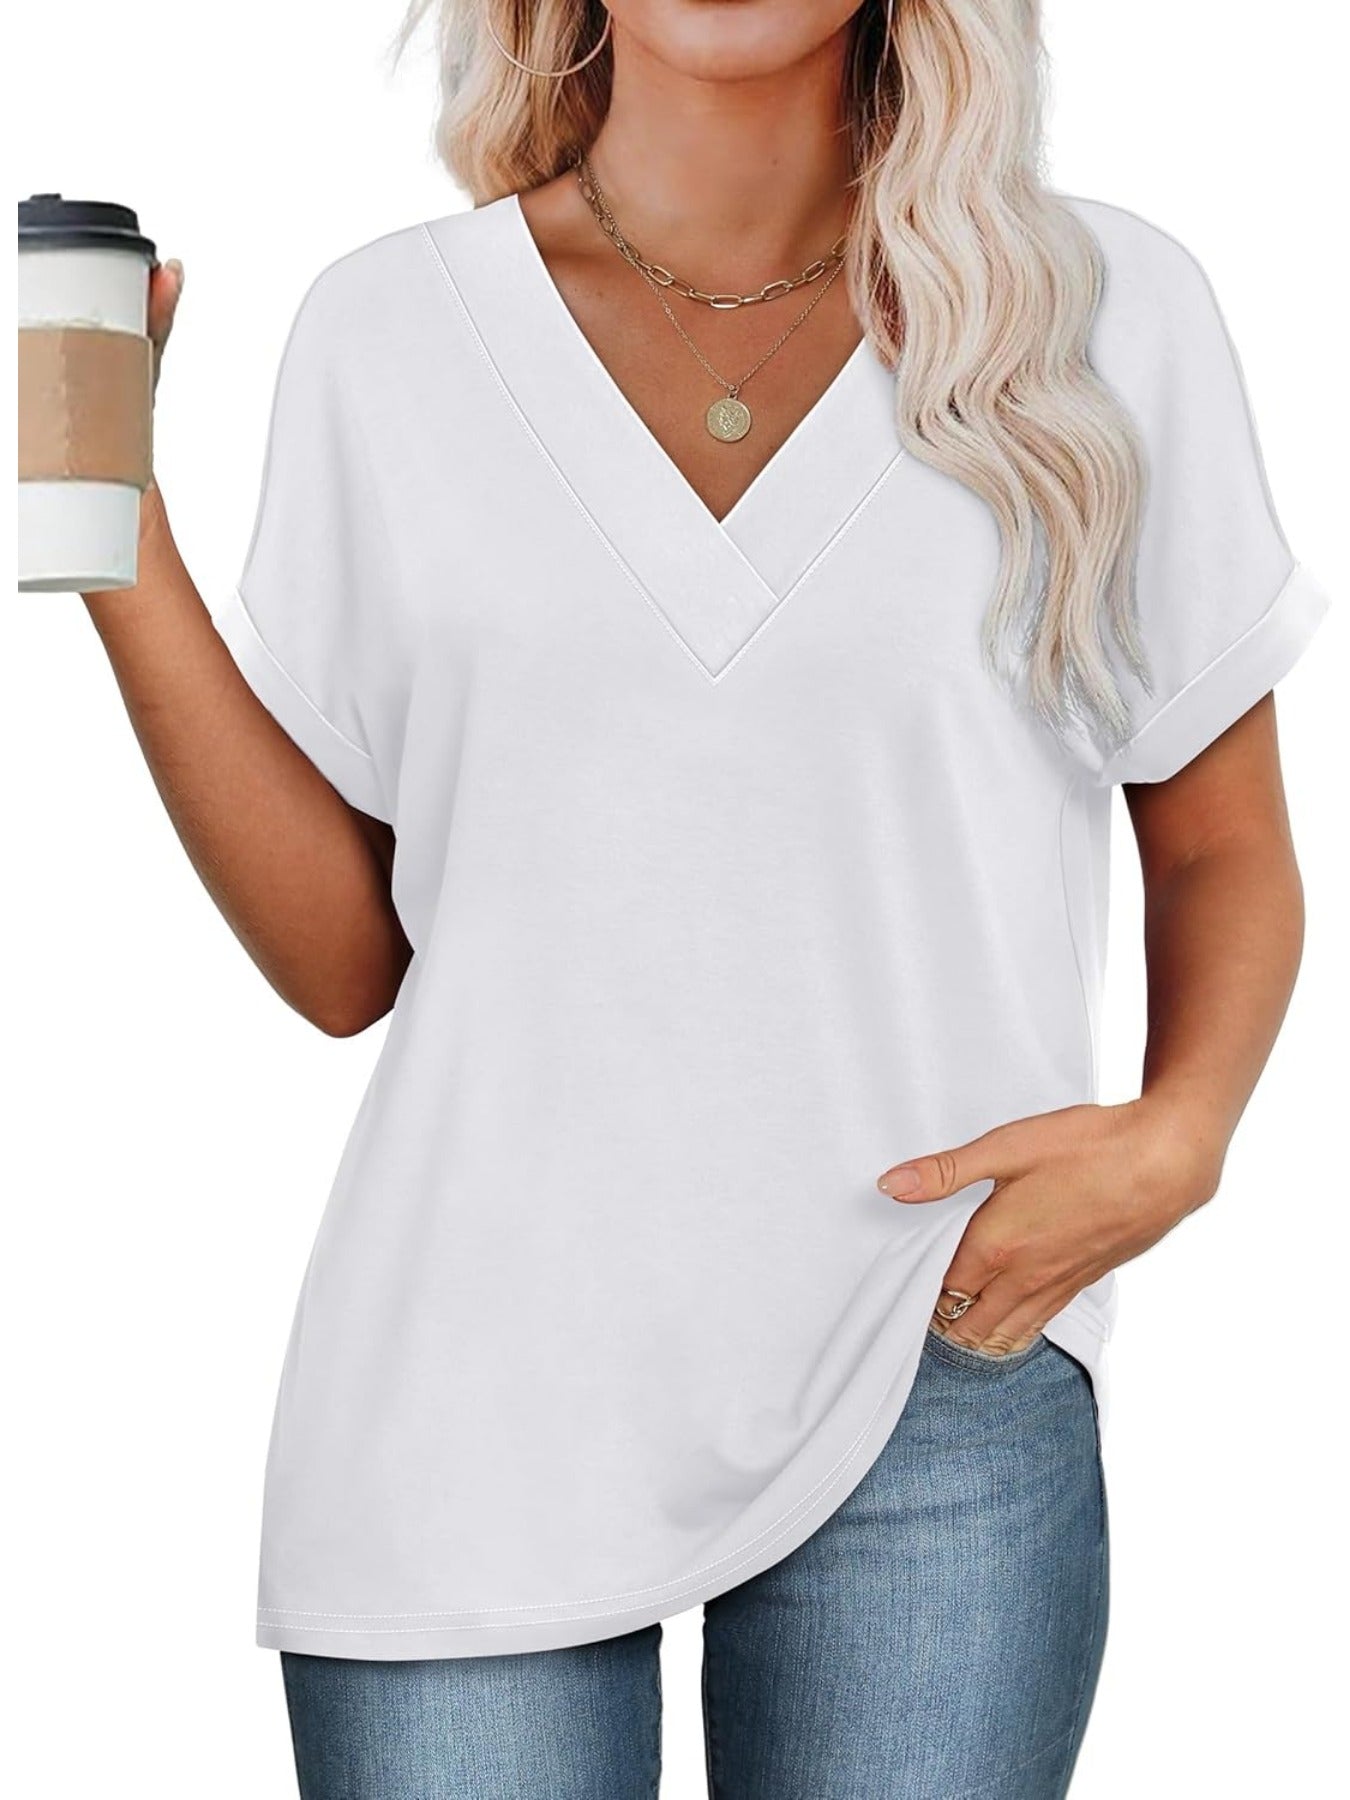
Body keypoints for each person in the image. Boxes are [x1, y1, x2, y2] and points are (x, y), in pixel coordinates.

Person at [84, 2, 1330, 1795]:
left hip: (936, 1348)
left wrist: (1182, 1133)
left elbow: (1216, 839)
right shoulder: (389, 334)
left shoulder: (1098, 309)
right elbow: (348, 962)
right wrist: (115, 532)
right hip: (469, 1380)